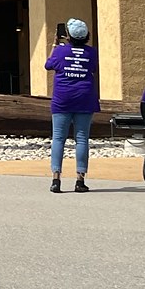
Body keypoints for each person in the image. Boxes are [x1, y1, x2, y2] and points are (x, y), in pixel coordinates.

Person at [44, 17, 100, 194]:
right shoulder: (92, 52)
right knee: (82, 138)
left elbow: (48, 65)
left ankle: (56, 178)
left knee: (58, 138)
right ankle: (80, 180)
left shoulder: (60, 51)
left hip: (62, 99)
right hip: (85, 98)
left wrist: (55, 45)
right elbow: (93, 68)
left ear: (68, 35)